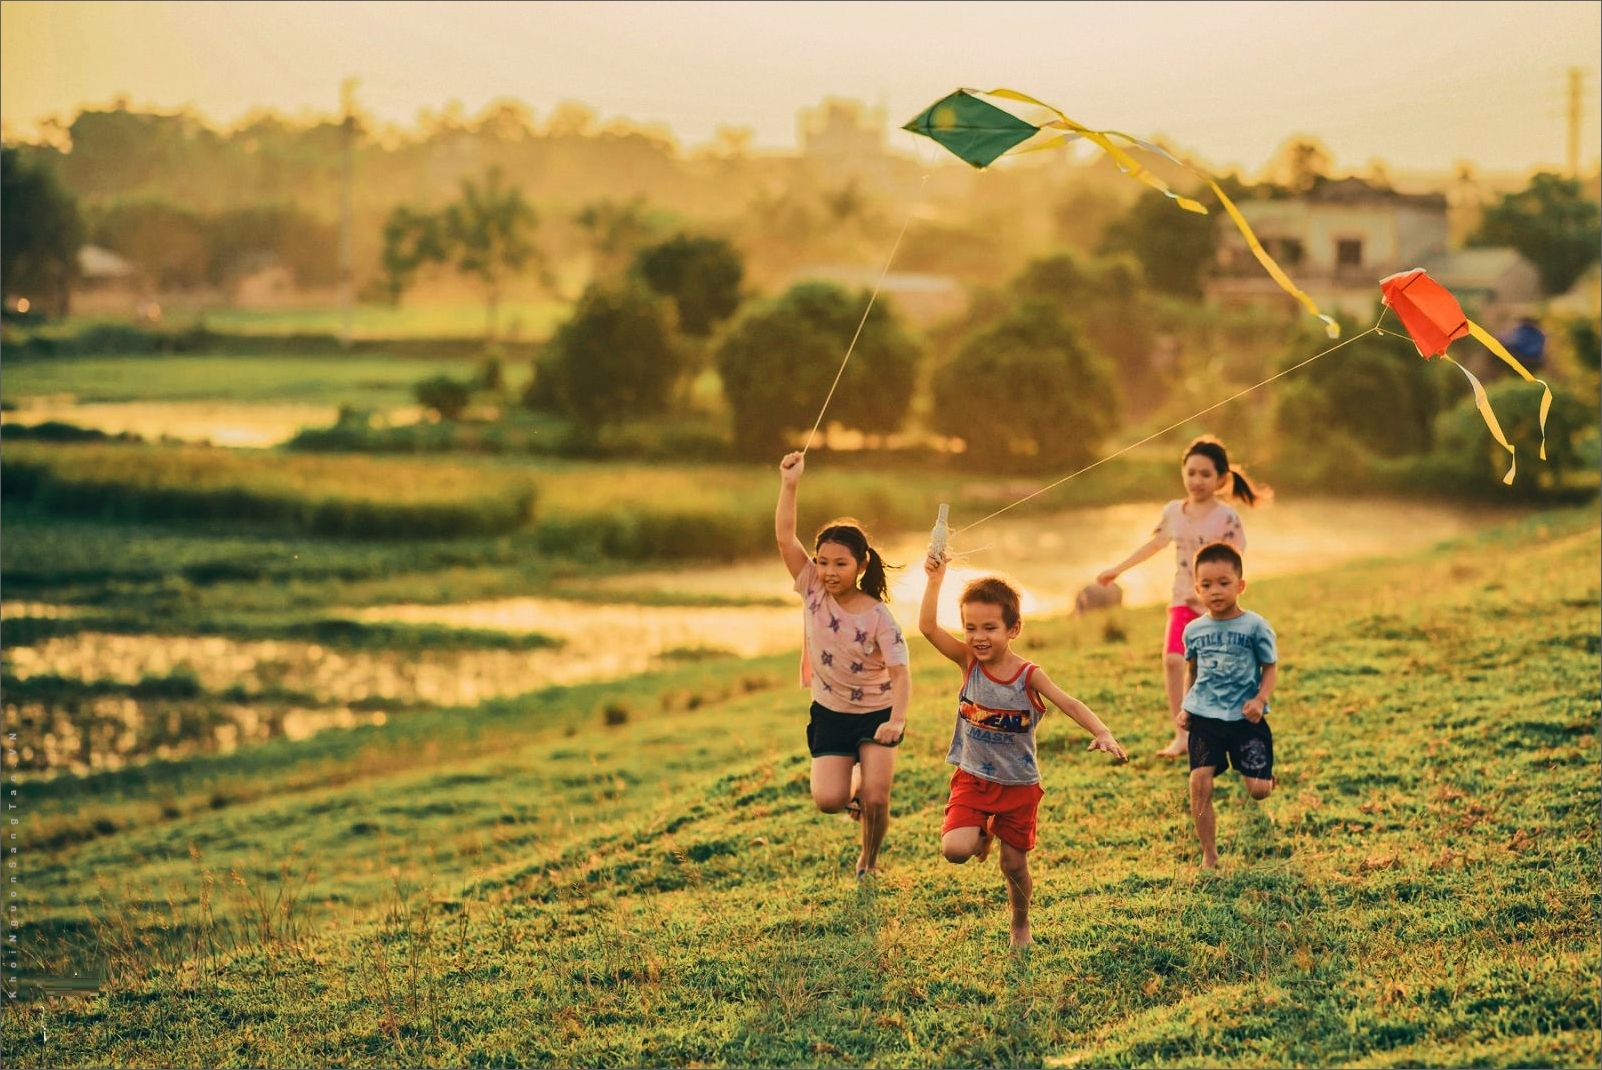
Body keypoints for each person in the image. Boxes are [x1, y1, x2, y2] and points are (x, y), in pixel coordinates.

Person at [920, 551, 1126, 948]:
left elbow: (1069, 703)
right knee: (955, 850)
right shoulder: (968, 662)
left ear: (1013, 628)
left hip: (1017, 786)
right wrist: (934, 580)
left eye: (990, 627)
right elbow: (927, 627)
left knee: (1013, 864)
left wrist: (1102, 731)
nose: (978, 637)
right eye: (970, 627)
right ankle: (981, 831)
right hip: (973, 778)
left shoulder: (1028, 675)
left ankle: (1020, 923)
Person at [775, 451, 911, 879]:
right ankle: (851, 785)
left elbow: (901, 673)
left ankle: (868, 861)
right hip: (831, 712)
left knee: (876, 798)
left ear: (861, 565)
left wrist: (897, 720)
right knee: (829, 800)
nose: (829, 571)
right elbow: (785, 538)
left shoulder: (879, 617)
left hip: (877, 714)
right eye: (823, 562)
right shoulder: (812, 588)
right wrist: (790, 484)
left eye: (840, 564)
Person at [1095, 435, 1264, 759]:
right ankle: (1182, 735)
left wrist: (1218, 596)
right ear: (1183, 473)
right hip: (1182, 600)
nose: (1197, 480)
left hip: (1216, 607)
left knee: (1213, 670)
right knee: (1174, 661)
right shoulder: (1174, 511)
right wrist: (1117, 570)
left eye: (1205, 474)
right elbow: (1154, 544)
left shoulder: (1227, 518)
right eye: (1191, 473)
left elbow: (1235, 562)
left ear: (1220, 479)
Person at [1180, 541, 1278, 870]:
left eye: (1224, 583)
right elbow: (1191, 670)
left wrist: (1260, 700)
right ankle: (1209, 854)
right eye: (1207, 585)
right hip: (1205, 718)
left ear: (1241, 585)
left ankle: (1266, 778)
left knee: (1259, 791)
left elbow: (1270, 667)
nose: (1215, 591)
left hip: (1244, 720)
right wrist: (1186, 706)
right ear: (1197, 589)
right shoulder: (1194, 630)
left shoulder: (1255, 626)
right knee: (1199, 783)